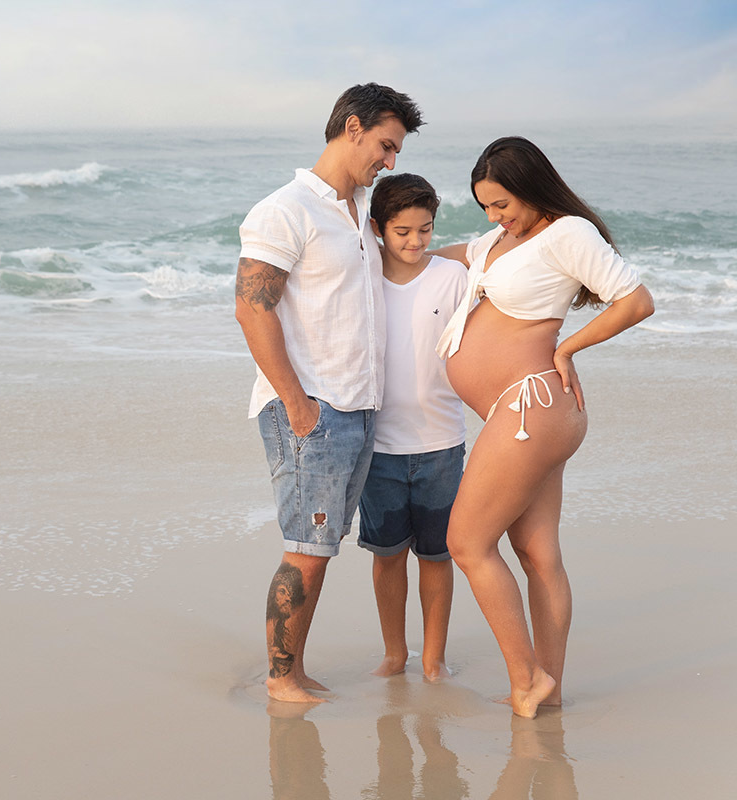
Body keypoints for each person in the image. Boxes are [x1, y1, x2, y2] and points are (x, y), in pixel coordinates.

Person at [432, 136, 655, 717]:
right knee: (535, 552)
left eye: (502, 202)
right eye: (484, 206)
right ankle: (547, 687)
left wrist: (569, 348)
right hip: (528, 410)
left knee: (466, 542)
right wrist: (385, 239)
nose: (494, 215)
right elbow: (442, 254)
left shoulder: (566, 233)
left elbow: (635, 301)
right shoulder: (500, 238)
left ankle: (526, 680)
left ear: (531, 186)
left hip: (530, 404)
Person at [235, 83, 425, 703]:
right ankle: (281, 677)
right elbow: (251, 309)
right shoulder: (286, 209)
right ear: (351, 127)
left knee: (320, 547)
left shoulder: (360, 212)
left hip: (357, 407)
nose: (390, 161)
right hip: (312, 409)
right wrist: (296, 404)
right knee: (306, 549)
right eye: (385, 145)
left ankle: (292, 671)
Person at [356, 174, 467, 682]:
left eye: (425, 230)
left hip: (441, 441)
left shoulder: (452, 277)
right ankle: (395, 652)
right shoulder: (360, 277)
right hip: (376, 445)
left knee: (437, 556)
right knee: (386, 558)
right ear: (377, 228)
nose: (416, 242)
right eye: (402, 232)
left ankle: (434, 658)